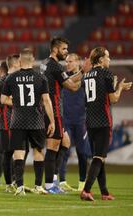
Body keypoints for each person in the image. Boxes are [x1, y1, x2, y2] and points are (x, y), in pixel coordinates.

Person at [1, 48, 55, 196]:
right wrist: (52, 121)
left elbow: (3, 99)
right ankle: (38, 186)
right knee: (38, 151)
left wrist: (17, 104)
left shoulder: (10, 78)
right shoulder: (41, 77)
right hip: (36, 120)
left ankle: (19, 187)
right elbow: (46, 101)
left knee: (18, 153)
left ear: (19, 61)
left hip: (17, 120)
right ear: (33, 60)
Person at [81, 47, 132, 201]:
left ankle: (104, 192)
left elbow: (91, 98)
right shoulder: (106, 74)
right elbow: (113, 99)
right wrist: (120, 88)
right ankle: (86, 190)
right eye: (108, 57)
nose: (110, 59)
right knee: (99, 157)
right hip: (103, 120)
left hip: (90, 121)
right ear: (101, 59)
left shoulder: (87, 76)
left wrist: (113, 86)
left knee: (98, 157)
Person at [40, 37, 82, 193]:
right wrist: (84, 75)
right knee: (52, 147)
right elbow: (71, 86)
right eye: (64, 49)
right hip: (54, 110)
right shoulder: (56, 66)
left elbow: (66, 79)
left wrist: (82, 72)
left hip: (53, 109)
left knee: (65, 142)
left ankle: (54, 180)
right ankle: (50, 185)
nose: (66, 52)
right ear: (55, 49)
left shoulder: (45, 63)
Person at [60, 53, 92, 192]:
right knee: (64, 151)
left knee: (82, 152)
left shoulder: (86, 79)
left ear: (78, 62)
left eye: (71, 61)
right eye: (66, 61)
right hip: (65, 119)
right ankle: (61, 182)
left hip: (80, 120)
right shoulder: (62, 77)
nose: (67, 64)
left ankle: (82, 182)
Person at [0, 55, 20, 192]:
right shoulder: (4, 79)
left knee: (20, 151)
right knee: (8, 153)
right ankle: (8, 184)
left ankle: (17, 182)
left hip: (19, 120)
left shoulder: (17, 78)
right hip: (7, 120)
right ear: (15, 64)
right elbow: (5, 100)